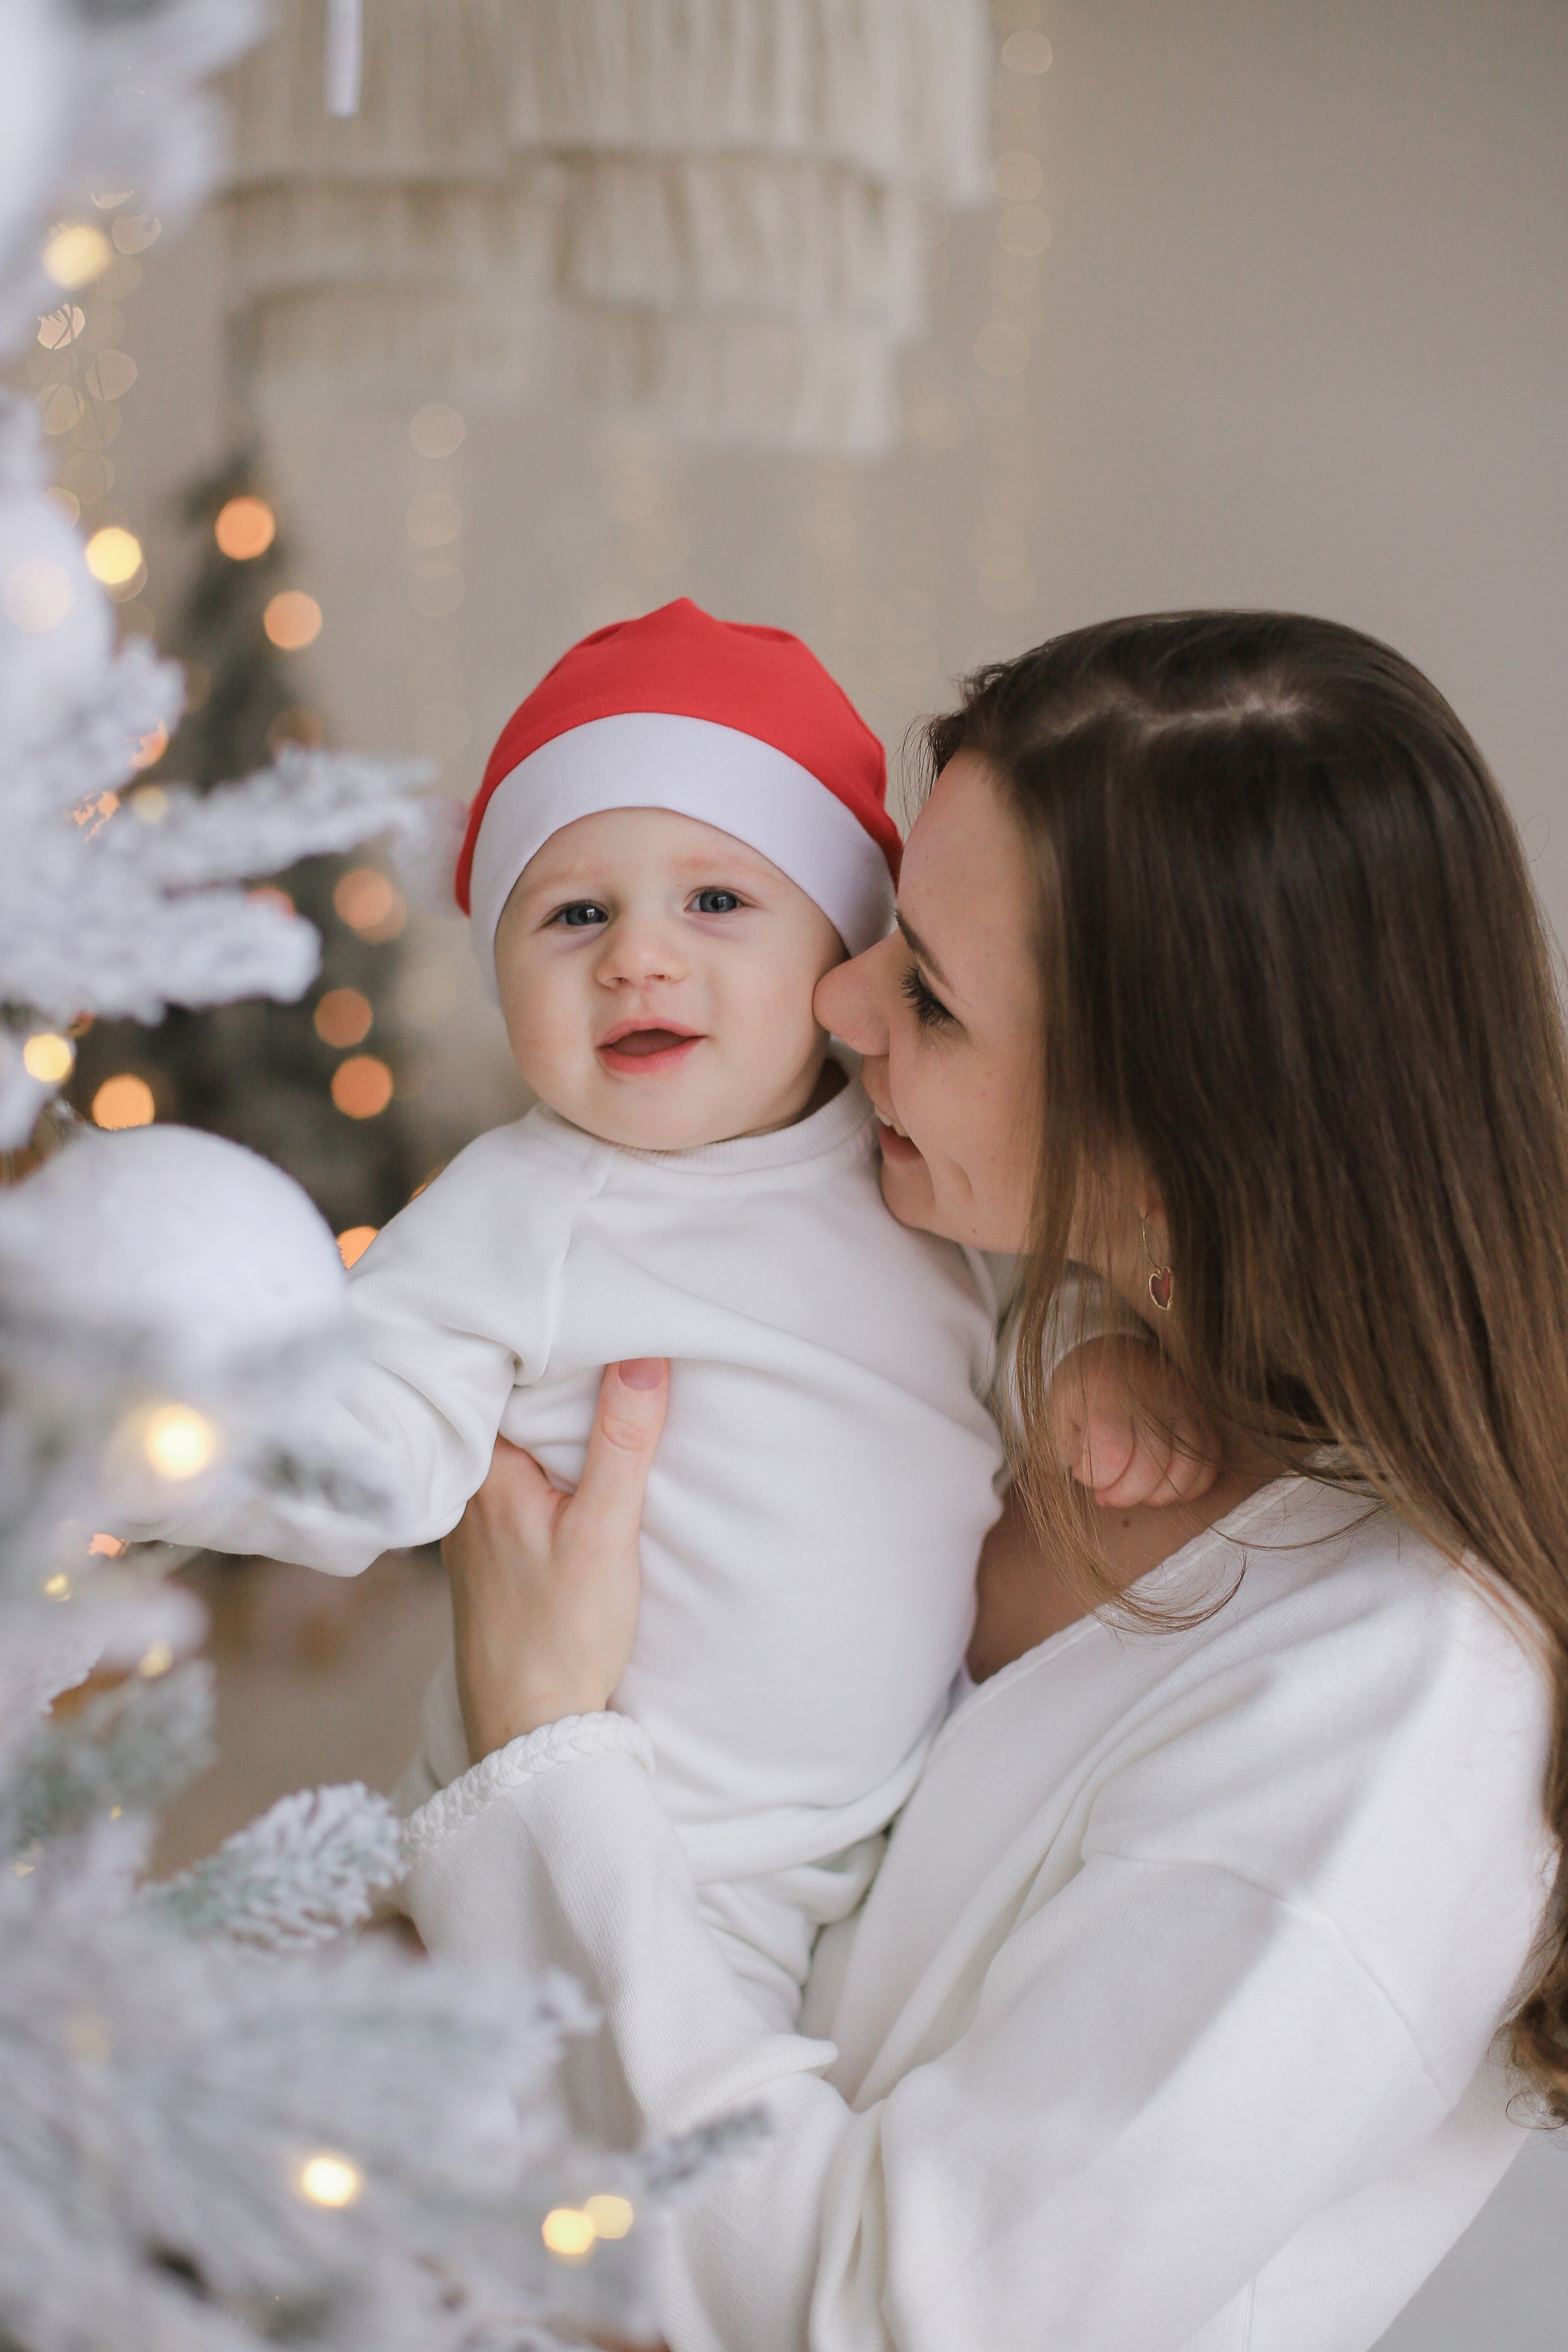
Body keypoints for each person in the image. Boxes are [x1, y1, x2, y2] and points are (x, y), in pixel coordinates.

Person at [401, 611, 1567, 2352]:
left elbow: (891, 2314)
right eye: (886, 929)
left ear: (1176, 1151)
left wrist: (545, 1755)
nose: (840, 996)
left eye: (928, 994)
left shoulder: (1389, 1725)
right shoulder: (1013, 1323)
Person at [172, 598, 1201, 2030]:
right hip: (576, 1845)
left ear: (844, 953)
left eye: (714, 901)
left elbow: (1044, 1297)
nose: (636, 959)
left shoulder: (911, 1170)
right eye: (574, 913)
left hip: (838, 1865)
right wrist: (161, 1434)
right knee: (499, 2151)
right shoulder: (525, 1206)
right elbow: (375, 1438)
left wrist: (1096, 1365)